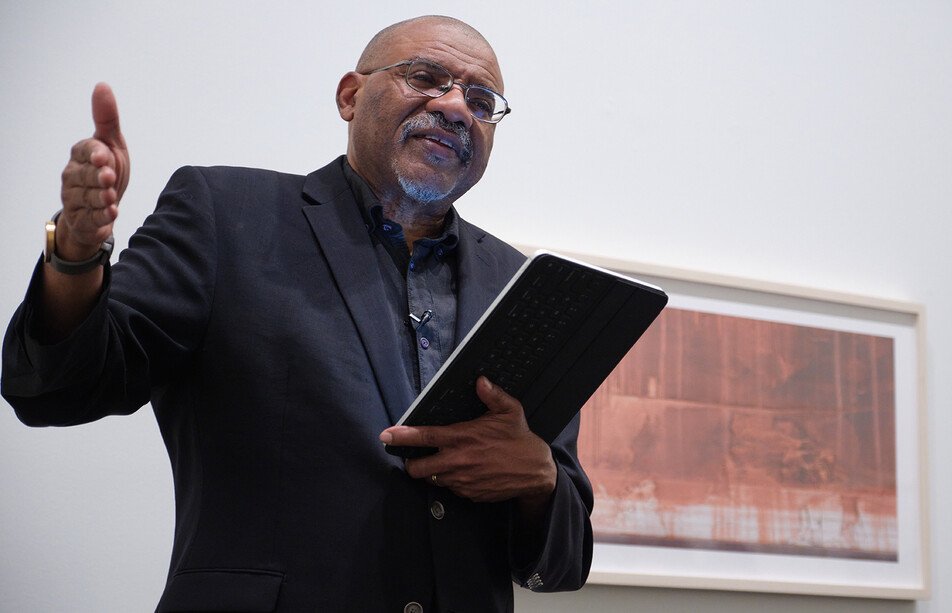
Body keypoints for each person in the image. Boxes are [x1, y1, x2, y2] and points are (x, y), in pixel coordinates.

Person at [2, 15, 593, 613]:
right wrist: (76, 257)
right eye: (426, 77)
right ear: (349, 96)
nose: (456, 108)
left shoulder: (521, 288)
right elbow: (59, 387)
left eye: (481, 100)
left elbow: (563, 563)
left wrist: (539, 479)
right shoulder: (226, 216)